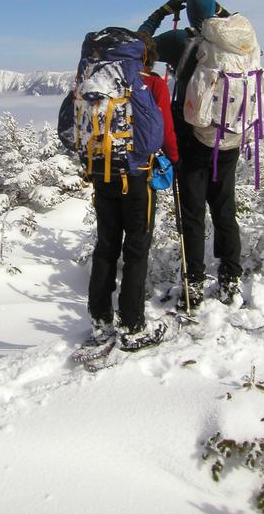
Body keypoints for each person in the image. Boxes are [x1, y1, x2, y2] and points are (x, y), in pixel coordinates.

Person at [139, 0, 243, 309]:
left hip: (191, 138)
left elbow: (137, 46)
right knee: (225, 210)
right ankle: (230, 281)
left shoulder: (180, 41)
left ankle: (194, 285)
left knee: (193, 213)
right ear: (215, 10)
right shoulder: (238, 43)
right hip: (229, 138)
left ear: (190, 14)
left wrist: (161, 13)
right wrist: (219, 13)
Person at [87, 31, 179, 350]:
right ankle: (132, 326)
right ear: (146, 56)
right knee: (136, 250)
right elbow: (164, 130)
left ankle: (100, 321)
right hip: (138, 175)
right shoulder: (152, 84)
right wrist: (175, 160)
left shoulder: (97, 78)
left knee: (106, 246)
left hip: (103, 172)